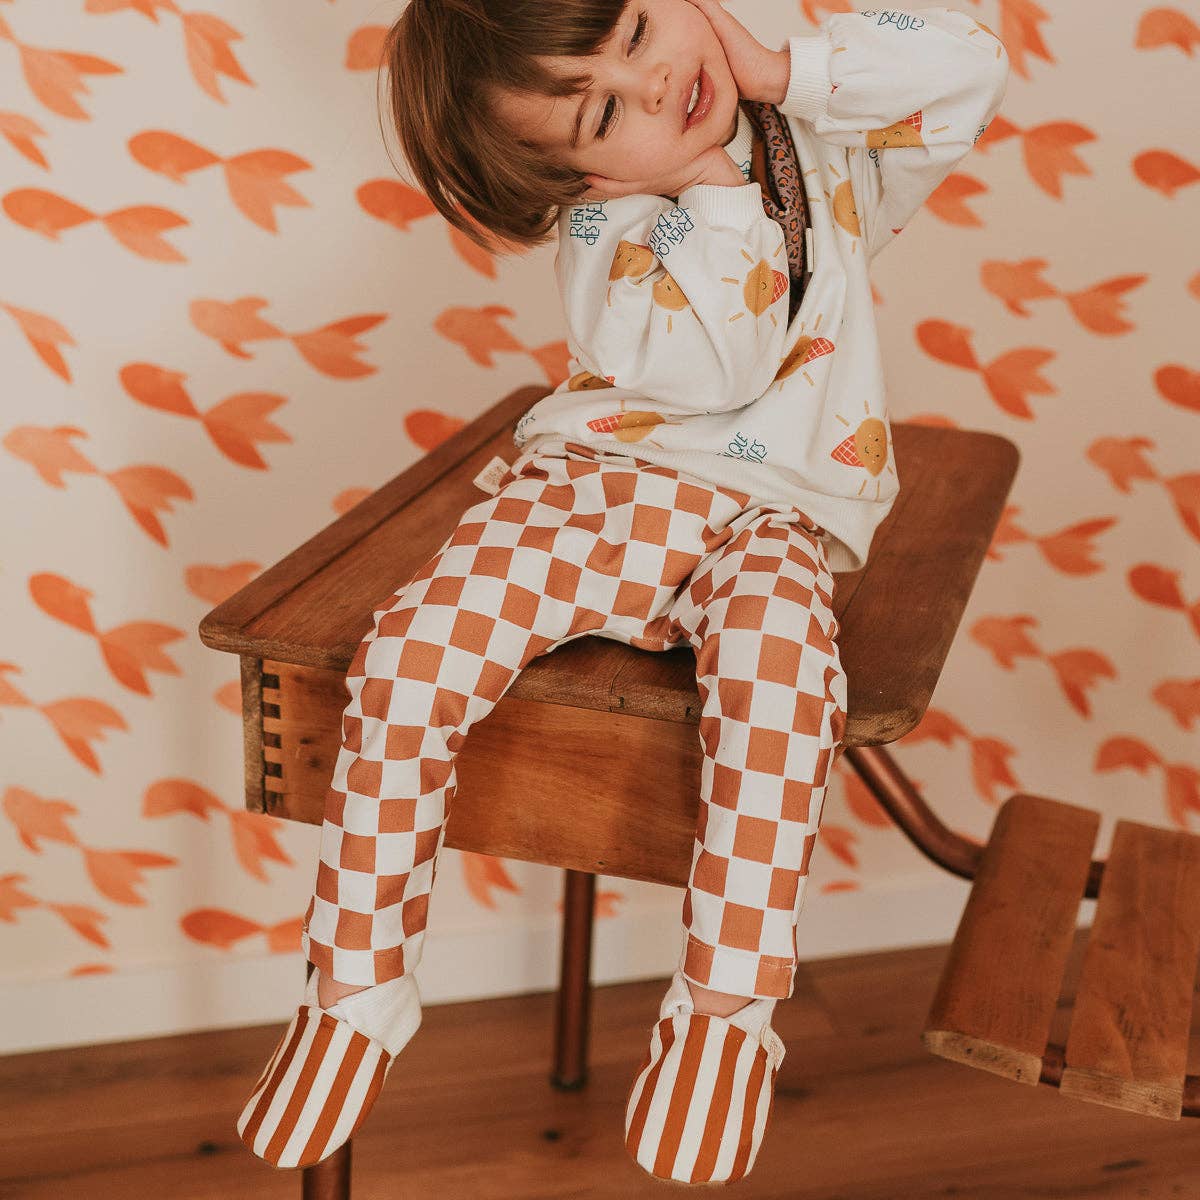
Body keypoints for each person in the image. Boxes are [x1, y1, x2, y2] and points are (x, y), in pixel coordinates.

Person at [237, 0, 1009, 1183]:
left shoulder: (825, 137)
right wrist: (712, 186)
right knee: (411, 656)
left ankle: (723, 1013)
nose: (650, 83)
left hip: (775, 516)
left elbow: (971, 67)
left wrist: (783, 69)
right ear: (577, 178)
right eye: (600, 113)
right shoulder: (609, 227)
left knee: (783, 685)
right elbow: (721, 367)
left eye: (639, 30)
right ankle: (354, 988)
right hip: (602, 494)